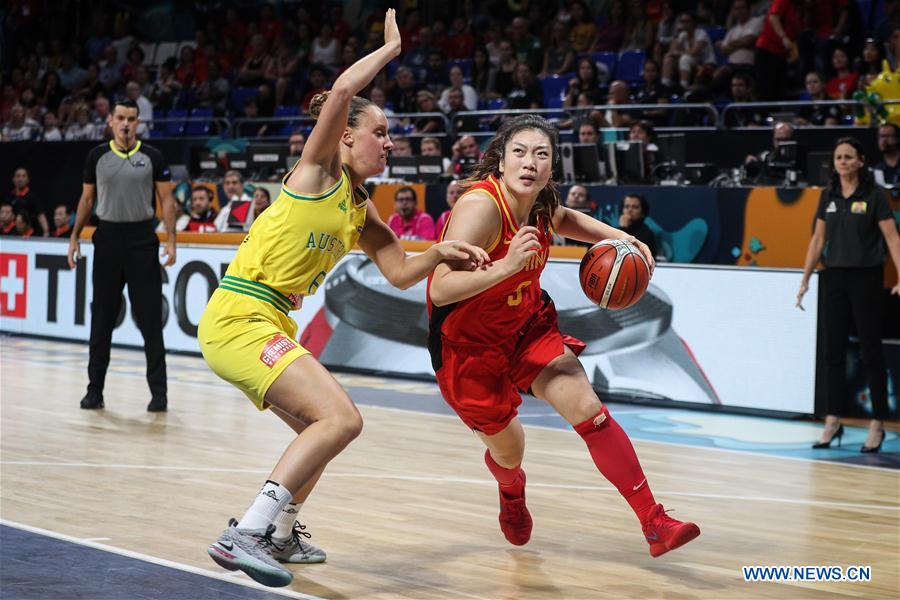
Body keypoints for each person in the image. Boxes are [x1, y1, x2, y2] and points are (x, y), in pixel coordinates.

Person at [198, 11, 487, 588]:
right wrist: (390, 51)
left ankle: (281, 534)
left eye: (390, 134)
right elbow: (346, 89)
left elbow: (401, 271)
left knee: (319, 431)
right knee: (341, 418)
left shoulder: (360, 207)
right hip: (240, 316)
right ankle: (246, 532)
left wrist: (441, 251)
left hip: (267, 319)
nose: (389, 141)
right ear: (346, 135)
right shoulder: (316, 171)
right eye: (380, 132)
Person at [426, 114, 699, 558]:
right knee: (510, 452)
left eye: (541, 154)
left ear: (553, 166)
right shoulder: (480, 208)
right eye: (519, 152)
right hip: (468, 349)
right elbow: (440, 288)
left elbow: (566, 217)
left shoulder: (539, 202)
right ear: (500, 160)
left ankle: (654, 521)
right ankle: (512, 492)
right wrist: (507, 266)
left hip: (526, 327)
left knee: (589, 410)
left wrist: (624, 238)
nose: (529, 162)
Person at [67, 98, 178, 413]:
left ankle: (159, 395)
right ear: (111, 121)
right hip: (108, 239)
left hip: (143, 240)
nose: (126, 123)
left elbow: (167, 200)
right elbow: (87, 200)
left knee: (150, 321)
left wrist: (171, 240)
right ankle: (94, 391)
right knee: (101, 319)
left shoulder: (152, 156)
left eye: (132, 118)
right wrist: (74, 238)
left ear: (138, 122)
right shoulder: (97, 156)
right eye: (121, 118)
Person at [797, 137, 900, 453]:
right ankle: (832, 420)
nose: (842, 161)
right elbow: (817, 240)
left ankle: (878, 423)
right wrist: (805, 279)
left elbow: (892, 237)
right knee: (832, 352)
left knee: (871, 351)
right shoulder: (828, 195)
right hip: (834, 278)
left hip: (866, 278)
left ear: (860, 161)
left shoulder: (874, 196)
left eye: (848, 156)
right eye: (838, 156)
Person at [9, 167, 49, 237]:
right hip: (14, 234)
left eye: (23, 176)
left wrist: (46, 231)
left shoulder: (32, 197)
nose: (20, 179)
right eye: (18, 176)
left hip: (30, 234)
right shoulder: (10, 196)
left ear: (28, 179)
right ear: (14, 179)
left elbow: (40, 215)